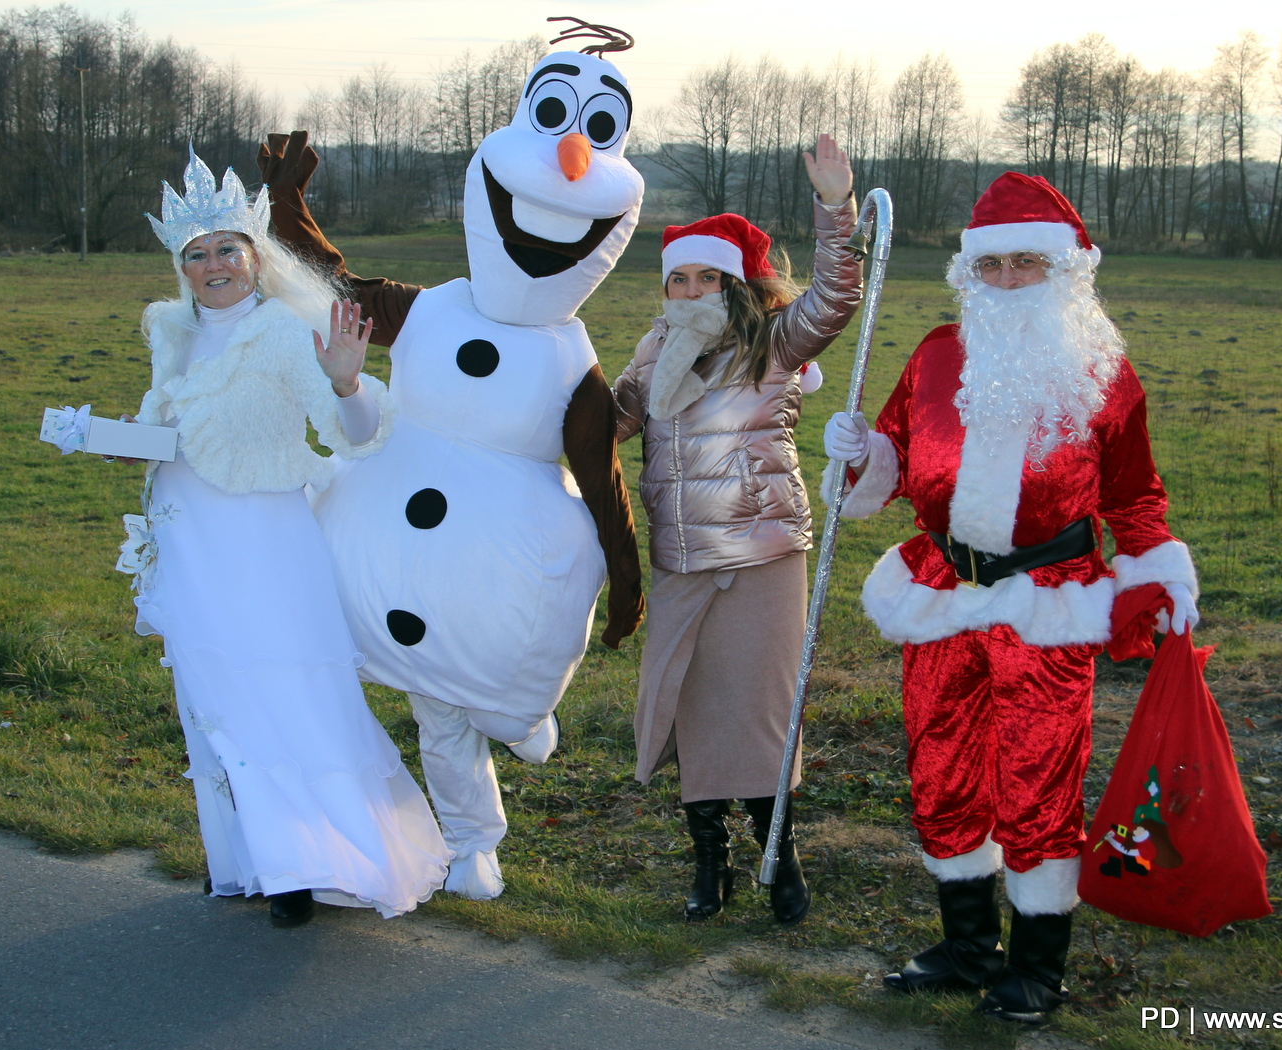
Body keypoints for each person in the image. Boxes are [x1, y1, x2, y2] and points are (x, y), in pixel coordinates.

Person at [255, 41, 643, 901]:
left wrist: (626, 582)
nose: (572, 153)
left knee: (445, 716)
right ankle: (333, 830)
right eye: (551, 119)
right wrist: (287, 202)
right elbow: (332, 280)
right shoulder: (428, 310)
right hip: (380, 547)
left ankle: (477, 825)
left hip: (474, 589)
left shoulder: (571, 367)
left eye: (595, 133)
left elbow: (602, 480)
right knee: (336, 681)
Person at [822, 172, 1199, 1020]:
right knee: (941, 772)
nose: (1006, 284)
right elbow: (890, 454)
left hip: (1046, 604)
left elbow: (1136, 496)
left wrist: (1156, 574)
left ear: (1065, 272)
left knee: (1037, 781)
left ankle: (1036, 966)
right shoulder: (935, 357)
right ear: (968, 275)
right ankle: (965, 948)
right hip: (944, 596)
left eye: (1027, 264)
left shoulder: (1102, 375)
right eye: (990, 268)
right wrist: (860, 452)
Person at [119, 151, 451, 928]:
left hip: (266, 544)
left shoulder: (280, 332)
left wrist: (343, 381)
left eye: (225, 249)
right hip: (191, 543)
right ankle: (245, 856)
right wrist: (114, 440)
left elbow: (355, 432)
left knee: (286, 693)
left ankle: (306, 864)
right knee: (215, 700)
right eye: (195, 256)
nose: (212, 266)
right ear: (182, 268)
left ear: (255, 256)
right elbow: (156, 429)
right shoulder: (171, 334)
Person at [612, 134, 862, 925]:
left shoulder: (773, 342)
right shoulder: (656, 350)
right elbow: (609, 422)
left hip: (763, 556)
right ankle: (708, 861)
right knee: (688, 702)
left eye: (706, 277)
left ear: (737, 281)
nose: (690, 290)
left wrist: (834, 208)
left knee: (759, 710)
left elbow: (834, 298)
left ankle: (777, 855)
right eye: (678, 278)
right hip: (683, 560)